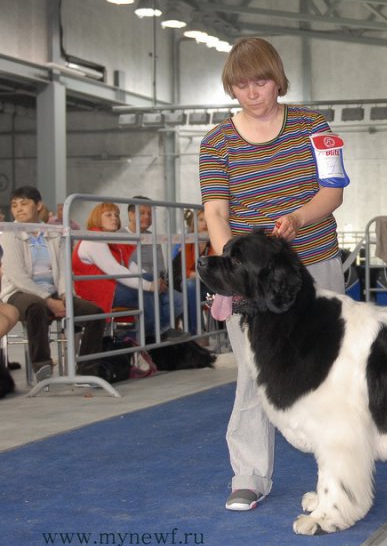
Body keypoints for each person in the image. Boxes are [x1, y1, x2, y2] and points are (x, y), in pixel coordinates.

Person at [199, 37, 348, 512]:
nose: (251, 93)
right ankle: (249, 474)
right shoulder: (216, 143)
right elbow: (215, 212)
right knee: (254, 374)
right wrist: (233, 272)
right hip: (250, 280)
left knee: (330, 369)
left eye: (260, 82)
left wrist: (299, 218)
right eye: (241, 85)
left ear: (278, 80)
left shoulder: (313, 127)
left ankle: (340, 473)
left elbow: (333, 193)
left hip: (316, 265)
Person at [0, 186, 105, 381]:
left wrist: (65, 295)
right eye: (14, 205)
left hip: (53, 291)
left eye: (24, 204)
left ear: (38, 205)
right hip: (18, 292)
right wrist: (48, 301)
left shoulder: (54, 232)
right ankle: (42, 366)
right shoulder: (9, 233)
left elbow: (65, 268)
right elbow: (18, 277)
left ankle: (87, 370)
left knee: (95, 313)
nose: (18, 209)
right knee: (36, 307)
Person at [71, 202, 184, 341]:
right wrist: (149, 285)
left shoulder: (112, 241)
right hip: (99, 293)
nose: (114, 218)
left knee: (176, 299)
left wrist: (154, 282)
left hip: (113, 287)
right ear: (97, 218)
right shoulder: (94, 239)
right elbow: (116, 270)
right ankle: (156, 332)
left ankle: (136, 336)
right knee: (145, 291)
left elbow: (131, 266)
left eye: (116, 215)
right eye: (109, 215)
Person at [172, 208, 217, 336]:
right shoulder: (188, 241)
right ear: (194, 222)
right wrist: (202, 275)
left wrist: (199, 275)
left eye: (207, 220)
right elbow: (185, 272)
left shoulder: (214, 241)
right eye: (201, 220)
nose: (204, 224)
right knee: (189, 285)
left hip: (212, 287)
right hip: (195, 286)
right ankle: (196, 331)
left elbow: (214, 271)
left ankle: (195, 333)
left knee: (189, 286)